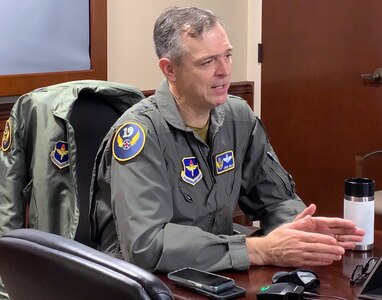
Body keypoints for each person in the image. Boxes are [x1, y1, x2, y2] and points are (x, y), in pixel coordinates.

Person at [89, 6, 364, 273]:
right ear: (169, 69)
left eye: (228, 55)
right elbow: (146, 246)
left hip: (217, 270)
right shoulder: (139, 135)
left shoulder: (238, 117)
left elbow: (276, 198)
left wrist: (297, 229)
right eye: (207, 62)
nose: (224, 70)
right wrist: (258, 250)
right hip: (146, 283)